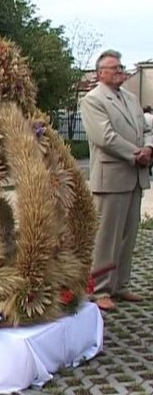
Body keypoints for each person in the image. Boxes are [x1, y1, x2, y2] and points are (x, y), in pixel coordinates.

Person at [80, 50, 153, 311]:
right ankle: (100, 289)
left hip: (134, 177)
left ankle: (120, 285)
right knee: (106, 237)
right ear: (101, 73)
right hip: (111, 178)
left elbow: (147, 129)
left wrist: (149, 148)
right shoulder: (93, 100)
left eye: (121, 66)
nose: (121, 70)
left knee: (128, 235)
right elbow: (105, 137)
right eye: (115, 67)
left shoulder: (132, 99)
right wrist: (136, 155)